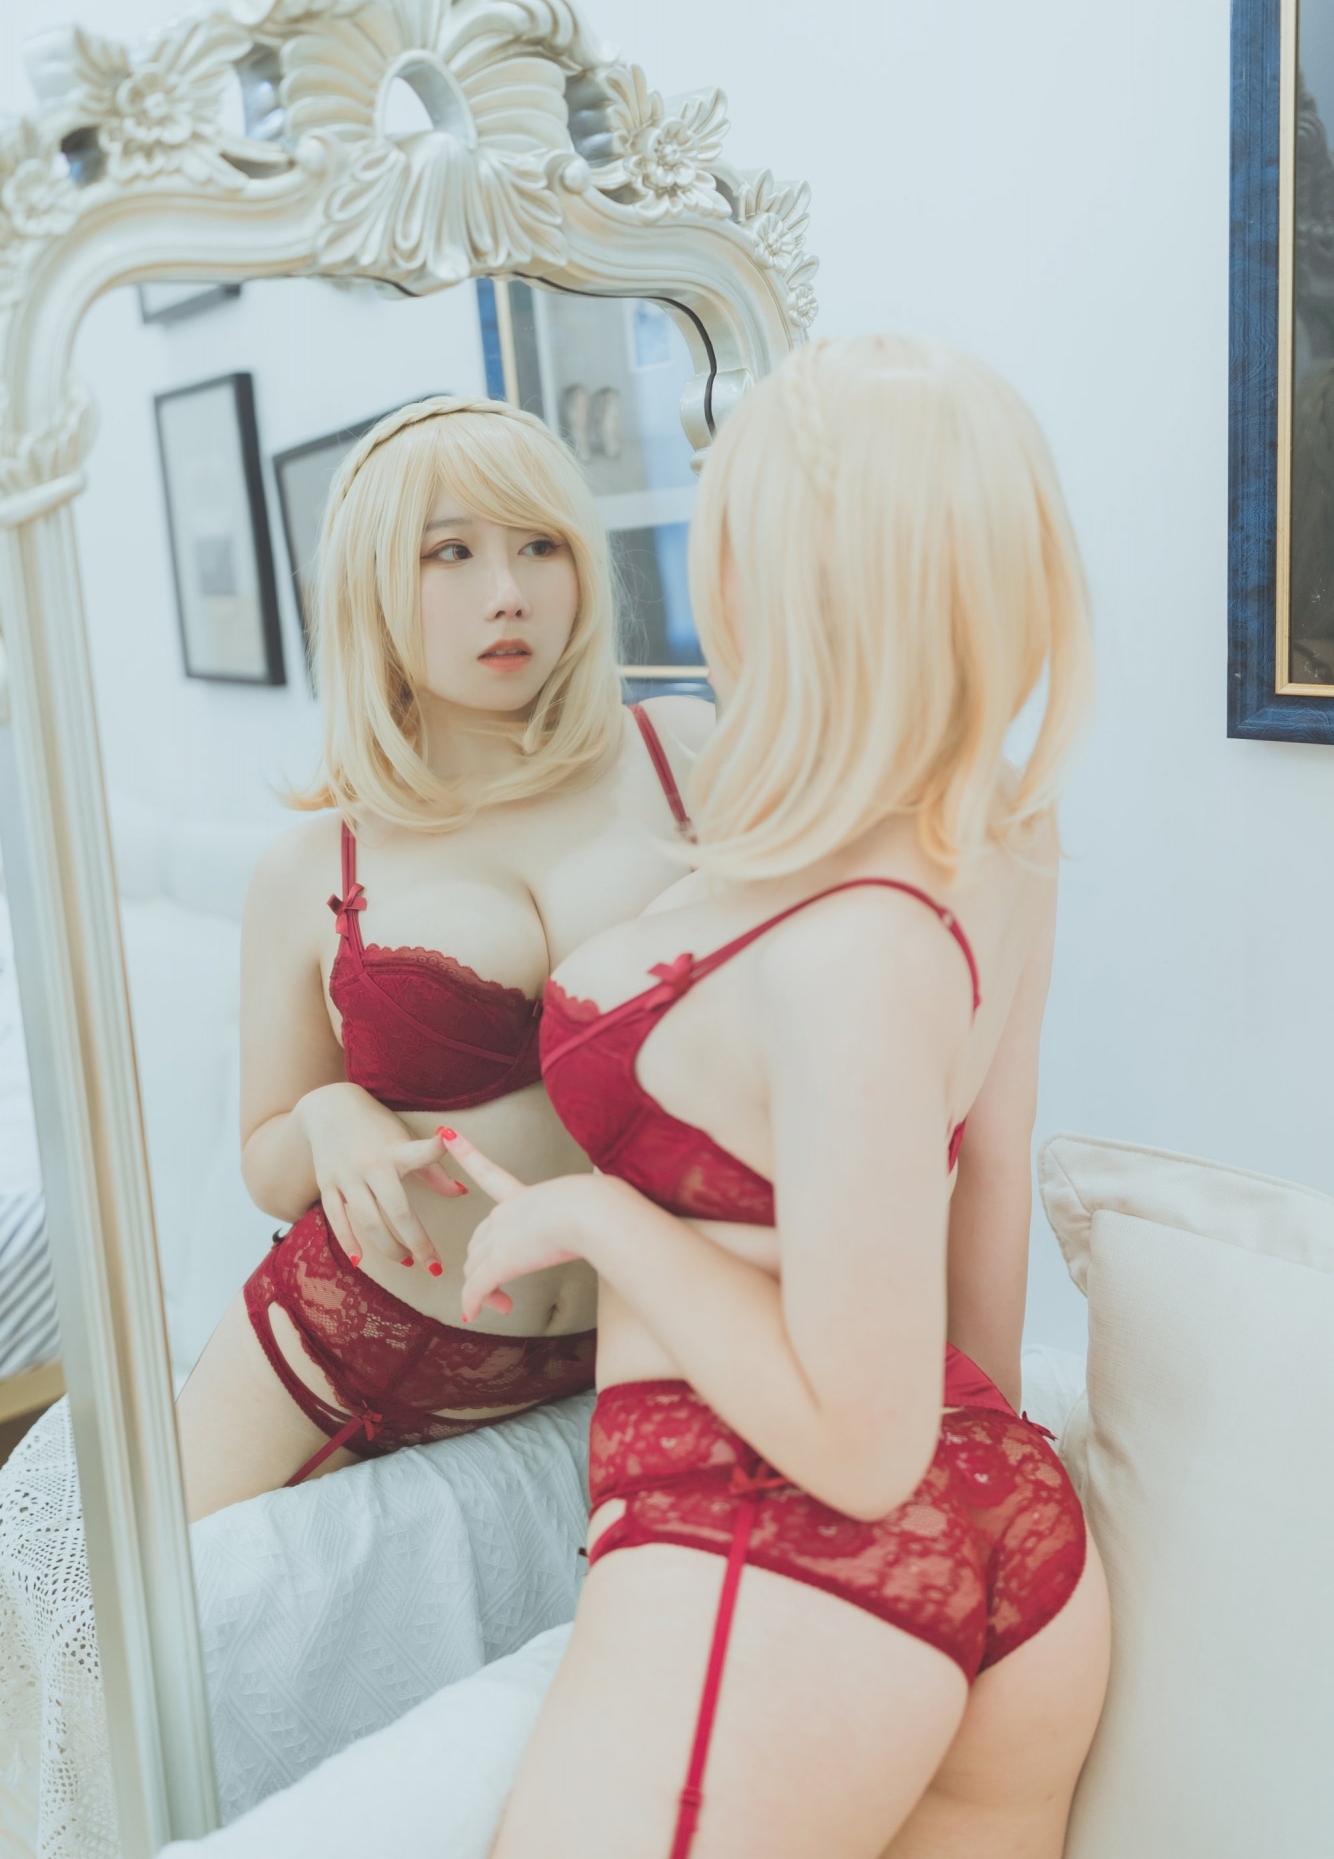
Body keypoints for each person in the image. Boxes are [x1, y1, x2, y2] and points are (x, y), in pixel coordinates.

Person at [439, 337, 1111, 1859]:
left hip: (776, 1522)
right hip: (976, 1501)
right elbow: (989, 1174)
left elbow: (860, 1450)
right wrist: (981, 1482)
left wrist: (601, 1220)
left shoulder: (850, 949)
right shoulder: (997, 832)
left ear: (773, 577)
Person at [176, 395, 711, 1521]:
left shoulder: (684, 752)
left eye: (540, 545)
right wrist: (329, 1114)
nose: (507, 592)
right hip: (365, 1338)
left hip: (658, 1317)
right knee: (145, 1600)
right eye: (450, 553)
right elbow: (267, 1156)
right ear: (372, 586)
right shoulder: (312, 865)